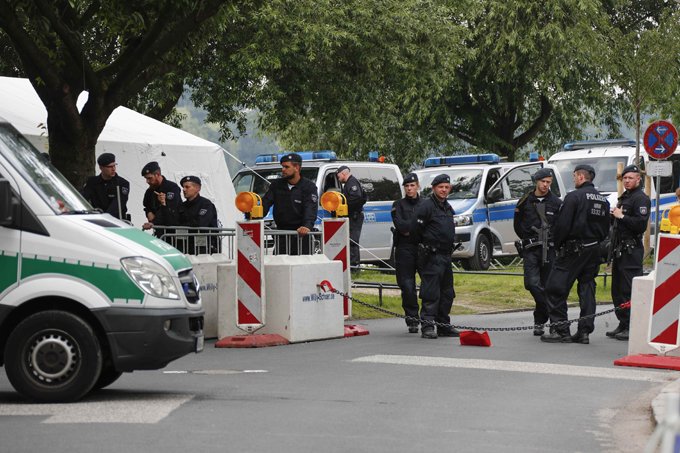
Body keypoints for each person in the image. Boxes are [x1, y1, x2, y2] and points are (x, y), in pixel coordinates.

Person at [541, 164, 610, 344]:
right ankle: (584, 332)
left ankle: (560, 329)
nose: (574, 180)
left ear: (580, 177)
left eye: (574, 177)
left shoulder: (574, 197)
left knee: (555, 288)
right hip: (594, 249)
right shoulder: (603, 200)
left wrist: (558, 244)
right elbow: (605, 229)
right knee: (587, 289)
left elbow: (563, 225)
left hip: (573, 249)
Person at [513, 168, 562, 337]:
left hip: (549, 248)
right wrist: (527, 237)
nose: (546, 185)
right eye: (543, 182)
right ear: (537, 181)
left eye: (549, 182)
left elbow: (560, 225)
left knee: (548, 286)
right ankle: (551, 312)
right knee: (532, 284)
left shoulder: (556, 202)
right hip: (531, 248)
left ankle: (539, 321)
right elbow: (517, 224)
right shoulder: (525, 200)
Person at [607, 164, 650, 341]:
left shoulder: (641, 198)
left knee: (628, 289)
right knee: (617, 290)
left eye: (630, 178)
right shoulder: (625, 196)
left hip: (631, 250)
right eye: (624, 178)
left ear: (638, 179)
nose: (627, 181)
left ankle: (631, 325)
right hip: (620, 249)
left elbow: (640, 224)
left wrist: (621, 216)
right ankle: (623, 323)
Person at [414, 173, 458, 339]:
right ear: (434, 188)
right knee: (431, 292)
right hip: (431, 255)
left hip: (446, 256)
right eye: (441, 187)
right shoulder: (426, 207)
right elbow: (415, 230)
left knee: (447, 293)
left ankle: (443, 325)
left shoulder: (447, 207)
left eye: (447, 187)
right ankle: (427, 326)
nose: (444, 190)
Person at [262, 153, 319, 255]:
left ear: (297, 167)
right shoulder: (276, 185)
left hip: (301, 235)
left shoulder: (309, 187)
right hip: (281, 235)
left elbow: (310, 208)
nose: (283, 169)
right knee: (279, 266)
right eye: (282, 167)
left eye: (286, 167)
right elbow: (265, 203)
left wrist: (306, 226)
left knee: (303, 266)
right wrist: (254, 214)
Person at [391, 173, 423, 334]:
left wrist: (414, 228)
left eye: (412, 185)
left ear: (418, 186)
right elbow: (401, 227)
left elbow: (429, 226)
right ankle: (412, 319)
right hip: (405, 248)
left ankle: (428, 318)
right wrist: (416, 226)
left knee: (430, 285)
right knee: (407, 285)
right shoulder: (398, 205)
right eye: (407, 186)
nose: (410, 189)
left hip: (422, 247)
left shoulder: (426, 204)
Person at [141, 161, 181, 243]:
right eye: (146, 178)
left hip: (173, 230)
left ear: (157, 175)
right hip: (159, 230)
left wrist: (154, 222)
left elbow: (170, 208)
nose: (147, 181)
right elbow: (146, 206)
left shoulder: (171, 187)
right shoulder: (149, 191)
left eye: (149, 178)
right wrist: (149, 212)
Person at [178, 175, 219, 254]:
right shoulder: (182, 206)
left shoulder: (206, 205)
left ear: (197, 188)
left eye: (187, 187)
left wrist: (184, 225)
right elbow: (176, 222)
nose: (184, 190)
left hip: (204, 248)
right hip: (186, 247)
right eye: (183, 187)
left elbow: (200, 224)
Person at [82, 153, 130, 220]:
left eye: (114, 166)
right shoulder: (92, 182)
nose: (113, 169)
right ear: (101, 168)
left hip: (116, 220)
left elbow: (117, 205)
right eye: (110, 167)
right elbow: (83, 199)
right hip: (96, 218)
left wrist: (105, 218)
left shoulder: (122, 183)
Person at [337, 165, 367, 269]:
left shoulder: (352, 182)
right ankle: (352, 265)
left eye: (338, 176)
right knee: (350, 241)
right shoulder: (349, 183)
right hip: (352, 215)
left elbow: (356, 198)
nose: (338, 178)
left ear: (343, 173)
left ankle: (354, 266)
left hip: (354, 216)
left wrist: (343, 205)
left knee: (353, 241)